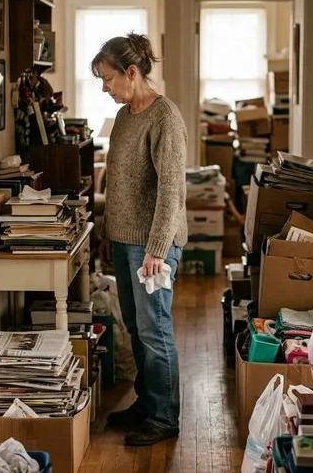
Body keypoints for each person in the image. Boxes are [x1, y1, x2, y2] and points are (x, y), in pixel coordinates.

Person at [92, 32, 188, 447]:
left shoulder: (164, 117)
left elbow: (171, 192)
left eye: (108, 78)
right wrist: (107, 233)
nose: (104, 87)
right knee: (135, 327)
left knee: (155, 330)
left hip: (153, 245)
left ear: (132, 72)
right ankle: (148, 403)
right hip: (126, 241)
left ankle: (165, 416)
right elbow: (121, 184)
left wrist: (156, 251)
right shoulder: (127, 116)